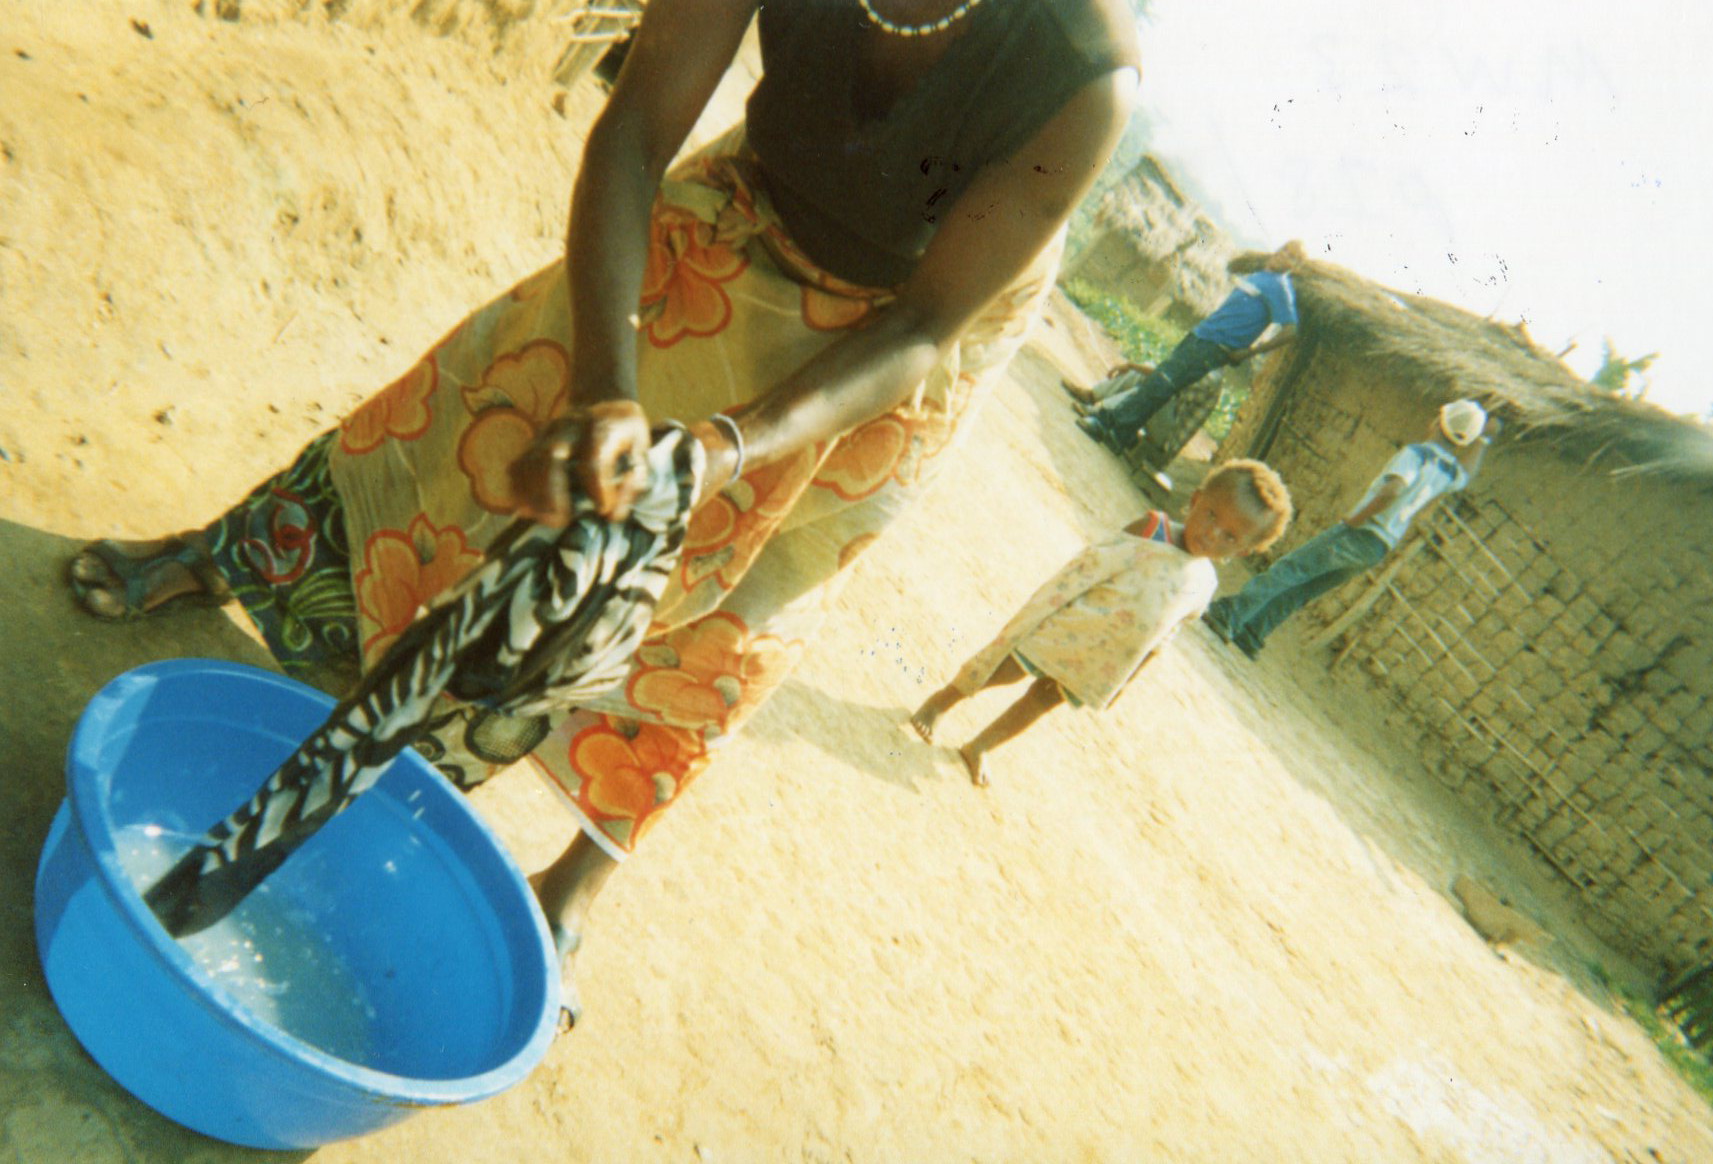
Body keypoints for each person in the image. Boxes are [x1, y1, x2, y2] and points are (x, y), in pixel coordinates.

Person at [63, 0, 1142, 1001]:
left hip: (905, 328)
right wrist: (603, 388)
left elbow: (921, 328)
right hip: (751, 197)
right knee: (492, 395)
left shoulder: (1080, 74)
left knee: (734, 595)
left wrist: (722, 452)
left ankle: (579, 877)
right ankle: (236, 550)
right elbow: (633, 133)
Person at [908, 459, 1292, 785]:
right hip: (1068, 624)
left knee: (1042, 701)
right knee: (1007, 669)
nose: (1212, 534)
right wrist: (1047, 606)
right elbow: (1088, 566)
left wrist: (1126, 678)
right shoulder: (1151, 529)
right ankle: (941, 703)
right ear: (1195, 500)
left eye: (1230, 536)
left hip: (1100, 659)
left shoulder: (1204, 585)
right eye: (1211, 515)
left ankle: (980, 746)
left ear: (1242, 550)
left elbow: (1163, 638)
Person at [1203, 400, 1499, 661]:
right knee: (1307, 588)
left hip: (1364, 530)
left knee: (1290, 570)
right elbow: (1467, 473)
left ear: (1437, 421)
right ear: (1463, 441)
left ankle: (1230, 615)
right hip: (1380, 547)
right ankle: (1254, 633)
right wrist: (1483, 441)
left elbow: (1393, 489)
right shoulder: (1448, 473)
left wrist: (1356, 519)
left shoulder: (1417, 454)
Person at [1075, 240, 1305, 459]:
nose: (1284, 256)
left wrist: (1249, 352)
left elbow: (1290, 331)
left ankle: (1105, 423)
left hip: (1216, 346)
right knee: (1161, 383)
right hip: (1201, 336)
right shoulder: (1259, 277)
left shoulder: (1281, 287)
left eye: (1292, 258)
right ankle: (1118, 435)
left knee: (1161, 383)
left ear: (1295, 267)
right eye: (1285, 250)